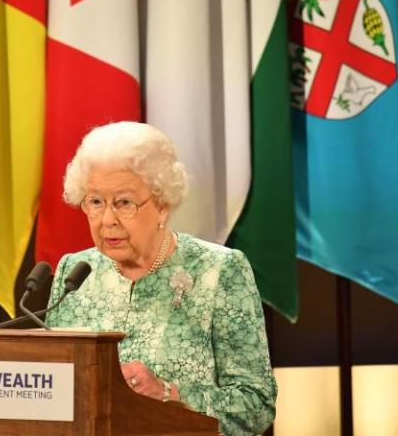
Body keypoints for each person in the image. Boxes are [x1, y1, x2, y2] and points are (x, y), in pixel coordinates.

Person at [45, 121, 277, 436]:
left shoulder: (219, 271)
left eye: (124, 203)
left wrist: (169, 394)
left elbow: (257, 404)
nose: (107, 220)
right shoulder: (75, 271)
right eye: (96, 202)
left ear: (162, 205)